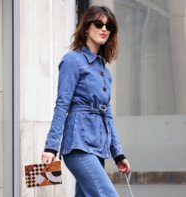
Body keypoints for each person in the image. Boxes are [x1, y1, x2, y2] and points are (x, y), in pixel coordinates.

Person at [41, 5, 131, 197]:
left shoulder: (105, 72)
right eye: (98, 24)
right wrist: (51, 147)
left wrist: (118, 154)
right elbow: (62, 104)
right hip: (78, 145)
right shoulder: (73, 61)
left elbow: (107, 114)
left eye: (109, 27)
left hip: (98, 147)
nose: (104, 29)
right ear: (86, 28)